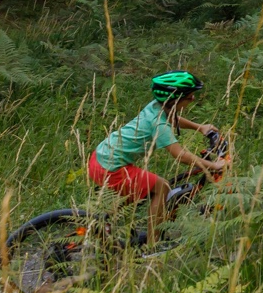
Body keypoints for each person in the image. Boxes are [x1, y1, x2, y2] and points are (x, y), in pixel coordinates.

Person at [88, 71, 225, 235]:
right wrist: (214, 165)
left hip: (100, 157)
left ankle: (102, 220)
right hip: (111, 168)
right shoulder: (158, 124)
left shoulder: (157, 106)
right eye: (190, 96)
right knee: (162, 187)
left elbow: (172, 119)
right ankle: (152, 246)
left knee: (136, 192)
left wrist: (199, 127)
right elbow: (180, 155)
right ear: (175, 99)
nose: (193, 99)